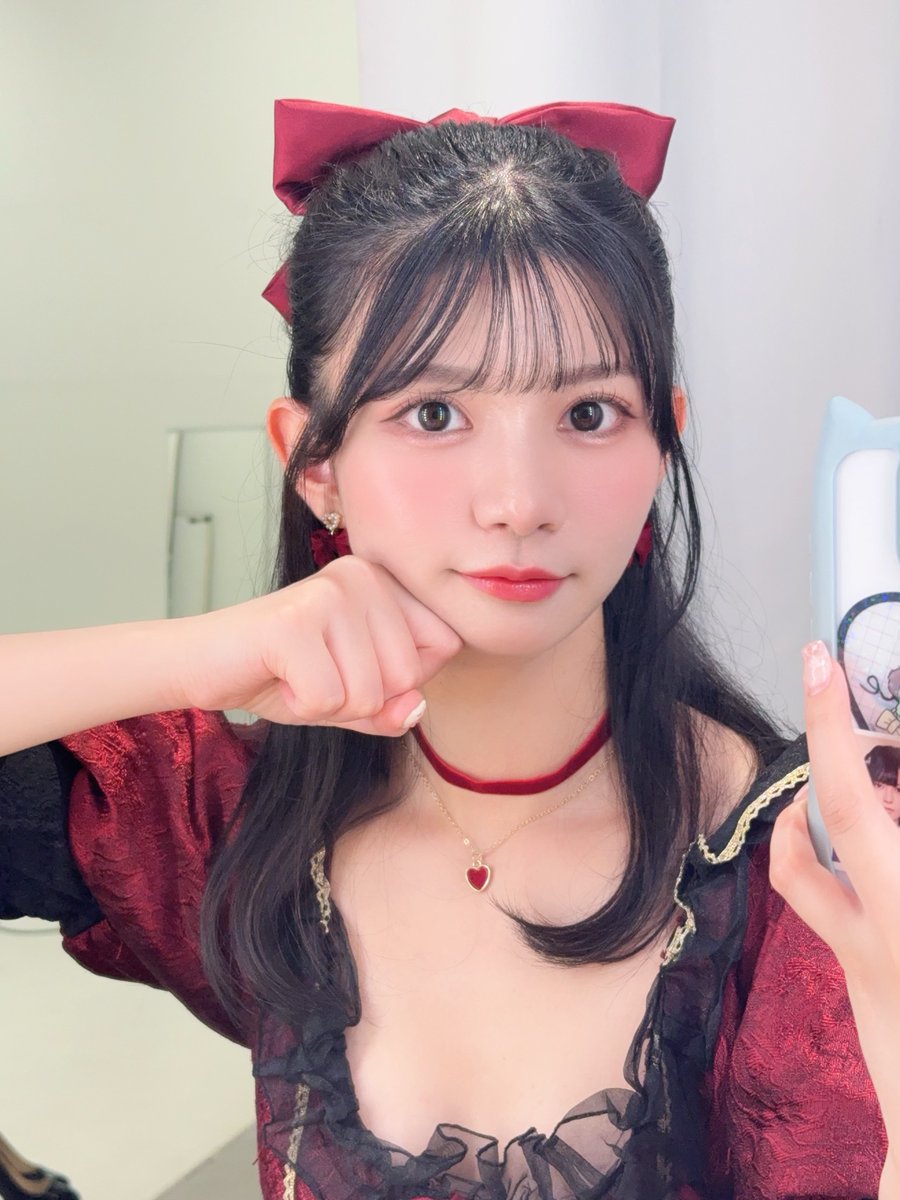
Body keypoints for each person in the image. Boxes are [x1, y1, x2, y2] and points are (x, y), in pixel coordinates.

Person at [1, 98, 899, 1200]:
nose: (518, 501)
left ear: (662, 443)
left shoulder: (806, 868)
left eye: (589, 414)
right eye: (434, 413)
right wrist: (194, 655)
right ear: (314, 462)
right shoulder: (225, 823)